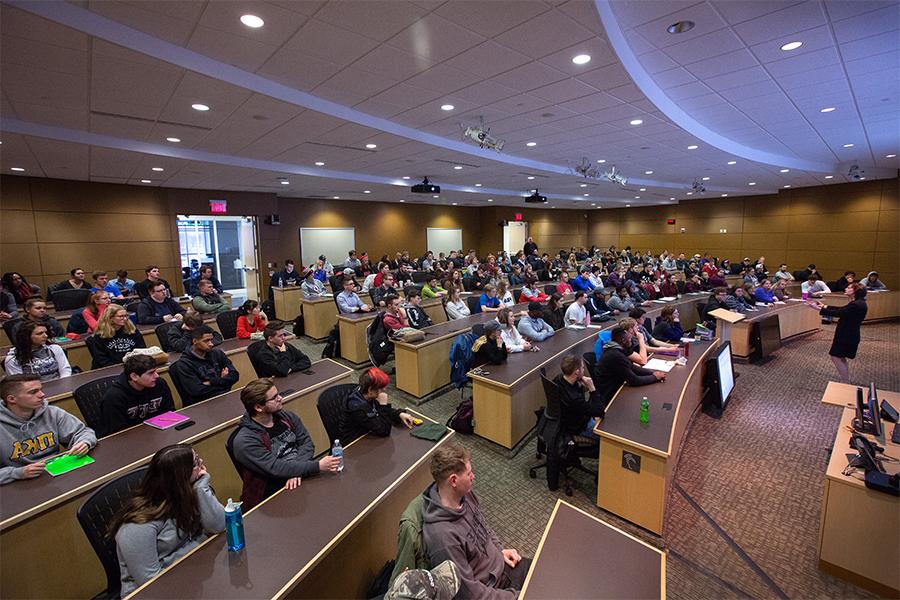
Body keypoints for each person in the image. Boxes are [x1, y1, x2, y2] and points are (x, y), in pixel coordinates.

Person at [110, 444, 225, 596]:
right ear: (180, 478)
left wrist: (201, 488)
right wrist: (200, 541)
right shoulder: (137, 525)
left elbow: (220, 525)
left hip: (191, 574)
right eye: (196, 462)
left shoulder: (193, 491)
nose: (202, 463)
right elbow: (152, 583)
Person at [422, 445, 530, 599]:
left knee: (548, 572)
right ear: (453, 480)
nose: (473, 476)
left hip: (502, 566)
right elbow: (470, 595)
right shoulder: (443, 538)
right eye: (469, 473)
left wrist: (499, 551)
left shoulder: (465, 495)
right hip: (492, 588)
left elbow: (484, 527)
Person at [231, 379, 341, 510]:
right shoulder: (245, 441)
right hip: (274, 490)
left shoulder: (287, 417)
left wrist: (297, 470)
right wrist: (316, 466)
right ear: (258, 407)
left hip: (298, 476)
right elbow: (275, 467)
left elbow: (307, 443)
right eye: (274, 397)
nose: (280, 398)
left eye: (278, 394)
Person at [0, 374, 96, 485]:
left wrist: (84, 442)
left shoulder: (52, 412)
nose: (42, 395)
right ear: (12, 399)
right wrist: (16, 473)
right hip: (20, 484)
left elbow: (84, 432)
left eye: (41, 389)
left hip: (57, 476)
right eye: (33, 392)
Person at [101, 355, 176, 435]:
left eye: (155, 371)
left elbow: (169, 412)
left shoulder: (159, 384)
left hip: (158, 432)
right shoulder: (114, 398)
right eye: (151, 373)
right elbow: (118, 433)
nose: (156, 376)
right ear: (134, 376)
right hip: (131, 438)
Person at [337, 367, 414, 442]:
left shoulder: (365, 394)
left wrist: (399, 414)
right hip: (353, 443)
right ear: (370, 389)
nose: (384, 390)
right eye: (381, 388)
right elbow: (384, 431)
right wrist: (383, 405)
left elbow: (378, 409)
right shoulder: (359, 407)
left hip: (367, 432)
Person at [810, 284, 868, 384]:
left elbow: (839, 313)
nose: (845, 288)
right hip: (848, 333)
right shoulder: (858, 302)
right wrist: (824, 306)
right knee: (840, 356)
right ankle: (845, 380)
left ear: (855, 291)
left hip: (846, 335)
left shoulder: (856, 305)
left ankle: (845, 382)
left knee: (835, 356)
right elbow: (842, 309)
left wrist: (819, 309)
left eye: (849, 287)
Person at [593, 326, 665, 404]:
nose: (631, 341)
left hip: (616, 385)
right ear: (623, 340)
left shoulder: (615, 349)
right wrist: (654, 377)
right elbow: (634, 380)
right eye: (630, 339)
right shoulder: (615, 355)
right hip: (611, 395)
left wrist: (652, 373)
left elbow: (631, 367)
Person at [170, 325, 239, 405]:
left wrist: (211, 382)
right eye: (206, 341)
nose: (211, 344)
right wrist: (223, 381)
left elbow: (234, 376)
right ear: (195, 341)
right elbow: (197, 391)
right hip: (201, 405)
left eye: (211, 340)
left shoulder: (217, 354)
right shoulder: (184, 364)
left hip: (223, 397)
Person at [554, 354, 606, 439]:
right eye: (582, 368)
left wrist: (579, 385)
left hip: (567, 419)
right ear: (577, 372)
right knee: (605, 432)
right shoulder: (575, 400)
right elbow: (600, 412)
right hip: (579, 428)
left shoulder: (558, 379)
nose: (583, 369)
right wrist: (592, 388)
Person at [4, 321, 72, 381]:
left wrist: (63, 384)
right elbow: (19, 383)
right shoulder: (12, 359)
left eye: (46, 332)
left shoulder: (55, 348)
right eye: (40, 333)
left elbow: (65, 370)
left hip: (59, 384)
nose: (45, 336)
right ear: (26, 336)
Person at [87, 304, 146, 369]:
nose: (125, 318)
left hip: (132, 367)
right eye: (121, 316)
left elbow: (141, 349)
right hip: (108, 370)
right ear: (110, 318)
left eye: (126, 316)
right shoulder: (99, 336)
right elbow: (102, 360)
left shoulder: (132, 330)